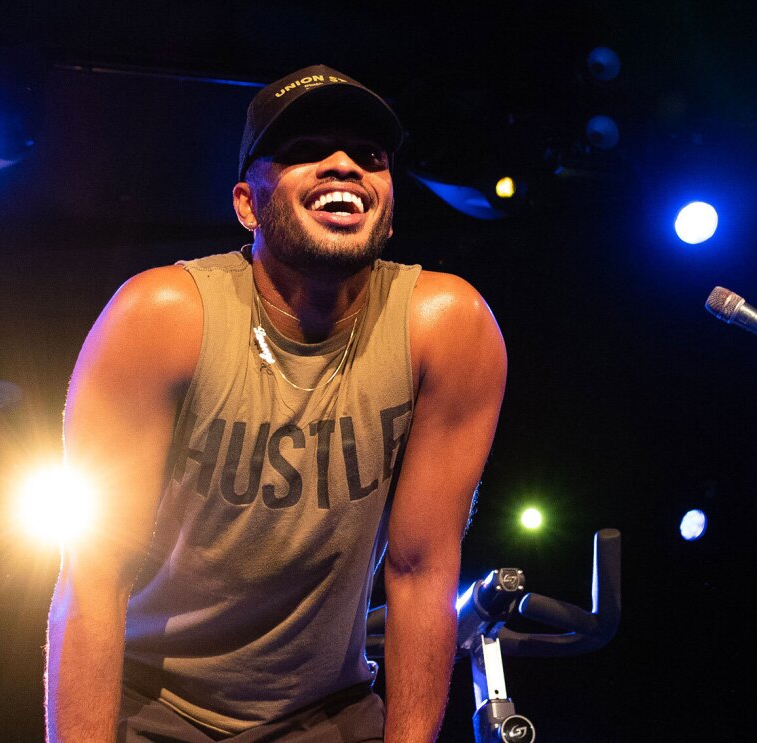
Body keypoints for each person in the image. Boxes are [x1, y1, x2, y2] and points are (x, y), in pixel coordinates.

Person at [45, 64, 506, 742]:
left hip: (327, 711)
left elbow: (420, 569)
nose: (344, 165)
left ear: (388, 198)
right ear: (245, 203)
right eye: (305, 151)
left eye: (368, 156)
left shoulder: (448, 325)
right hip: (151, 704)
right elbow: (93, 574)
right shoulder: (162, 315)